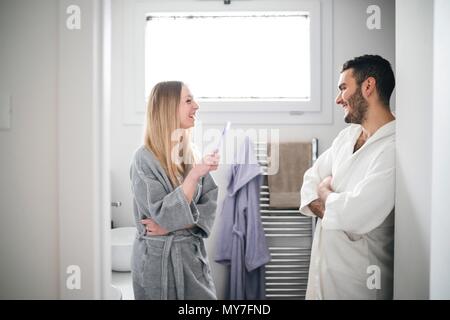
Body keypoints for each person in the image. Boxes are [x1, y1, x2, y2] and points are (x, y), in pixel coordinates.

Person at [300, 55, 396, 299]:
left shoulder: (394, 148)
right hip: (324, 275)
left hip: (360, 283)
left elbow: (354, 216)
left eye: (343, 88)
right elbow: (310, 180)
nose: (337, 98)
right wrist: (334, 205)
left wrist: (325, 193)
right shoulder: (347, 136)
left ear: (368, 86)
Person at [130, 81, 220, 300]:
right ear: (168, 108)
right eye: (188, 101)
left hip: (192, 260)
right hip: (157, 266)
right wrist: (193, 176)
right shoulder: (144, 160)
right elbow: (162, 214)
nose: (196, 106)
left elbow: (209, 203)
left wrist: (176, 225)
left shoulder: (192, 154)